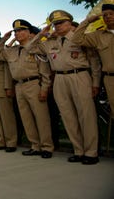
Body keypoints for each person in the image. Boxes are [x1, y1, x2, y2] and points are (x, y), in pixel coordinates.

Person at [28, 10, 101, 165]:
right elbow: (29, 48)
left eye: (61, 23)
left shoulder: (79, 38)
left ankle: (91, 152)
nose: (58, 26)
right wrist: (42, 33)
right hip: (59, 79)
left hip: (79, 76)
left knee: (86, 115)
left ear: (69, 23)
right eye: (55, 24)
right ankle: (78, 151)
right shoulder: (50, 42)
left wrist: (95, 82)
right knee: (68, 116)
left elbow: (94, 62)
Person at [0, 19, 54, 158]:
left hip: (34, 84)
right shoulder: (12, 51)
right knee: (26, 118)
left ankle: (47, 146)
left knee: (41, 117)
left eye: (21, 30)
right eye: (16, 31)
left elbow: (44, 71)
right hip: (19, 85)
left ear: (29, 33)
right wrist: (4, 39)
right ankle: (35, 145)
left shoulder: (36, 48)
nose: (18, 33)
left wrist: (44, 88)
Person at [72, 3, 114, 116]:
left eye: (111, 14)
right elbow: (76, 39)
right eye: (105, 15)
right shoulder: (98, 35)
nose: (108, 17)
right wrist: (88, 21)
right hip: (111, 80)